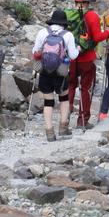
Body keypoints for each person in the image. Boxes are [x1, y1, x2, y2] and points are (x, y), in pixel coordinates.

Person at [32, 9, 81, 141]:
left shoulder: (43, 32)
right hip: (61, 72)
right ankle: (63, 128)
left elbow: (35, 51)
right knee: (63, 98)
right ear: (64, 23)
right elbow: (73, 56)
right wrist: (78, 49)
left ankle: (49, 132)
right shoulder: (68, 35)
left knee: (48, 101)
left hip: (45, 71)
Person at [64, 0, 109, 130]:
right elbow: (97, 37)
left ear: (76, 1)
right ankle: (82, 120)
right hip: (87, 58)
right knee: (85, 89)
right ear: (88, 2)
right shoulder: (92, 16)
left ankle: (65, 118)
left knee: (70, 86)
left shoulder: (68, 15)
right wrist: (107, 33)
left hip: (71, 58)